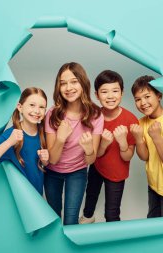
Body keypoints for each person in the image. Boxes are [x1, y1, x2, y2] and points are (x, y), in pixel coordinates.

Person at [44, 62, 104, 225]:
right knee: (54, 217)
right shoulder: (52, 113)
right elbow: (53, 159)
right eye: (63, 83)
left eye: (74, 81)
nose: (68, 88)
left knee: (71, 220)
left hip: (77, 172)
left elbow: (90, 161)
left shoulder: (96, 114)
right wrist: (61, 139)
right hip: (52, 172)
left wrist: (88, 150)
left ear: (83, 82)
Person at [79, 70, 138, 224]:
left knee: (112, 213)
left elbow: (127, 156)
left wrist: (122, 142)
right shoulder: (94, 117)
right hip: (97, 167)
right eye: (104, 92)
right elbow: (94, 155)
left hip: (117, 173)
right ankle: (87, 218)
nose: (110, 96)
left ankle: (114, 237)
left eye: (115, 91)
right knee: (90, 196)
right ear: (97, 95)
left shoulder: (131, 119)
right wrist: (104, 143)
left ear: (122, 93)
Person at [129, 75, 163, 217]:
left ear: (159, 96)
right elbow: (144, 156)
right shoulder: (141, 122)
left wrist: (156, 137)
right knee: (153, 223)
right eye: (138, 99)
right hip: (154, 184)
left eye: (147, 96)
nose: (143, 103)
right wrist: (138, 139)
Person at [0, 87, 49, 195]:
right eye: (32, 105)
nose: (37, 111)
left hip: (37, 198)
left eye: (41, 107)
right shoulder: (11, 134)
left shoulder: (44, 133)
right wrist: (9, 142)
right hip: (19, 198)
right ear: (20, 107)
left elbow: (42, 165)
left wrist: (45, 161)